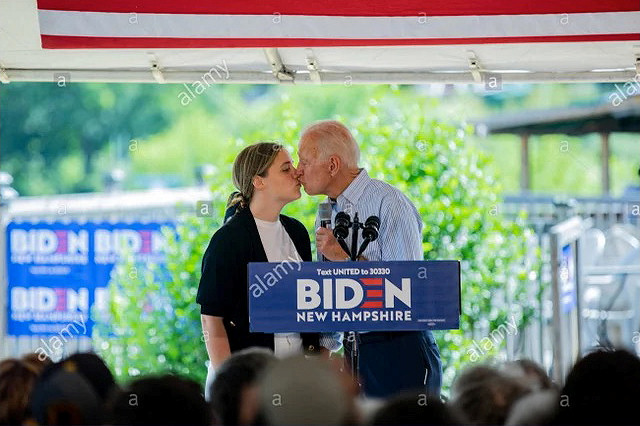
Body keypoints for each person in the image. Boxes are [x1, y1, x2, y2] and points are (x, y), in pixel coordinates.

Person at [295, 120, 443, 398]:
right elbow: (331, 290)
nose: (297, 170)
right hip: (356, 350)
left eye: (304, 161)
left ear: (333, 165)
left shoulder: (389, 203)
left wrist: (342, 258)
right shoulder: (327, 210)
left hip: (399, 347)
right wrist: (323, 353)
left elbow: (407, 291)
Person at [196, 142, 333, 400]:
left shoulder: (297, 232)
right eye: (285, 168)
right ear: (258, 181)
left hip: (292, 383)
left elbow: (310, 309)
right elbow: (211, 321)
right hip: (245, 386)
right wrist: (234, 385)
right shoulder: (228, 240)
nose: (297, 172)